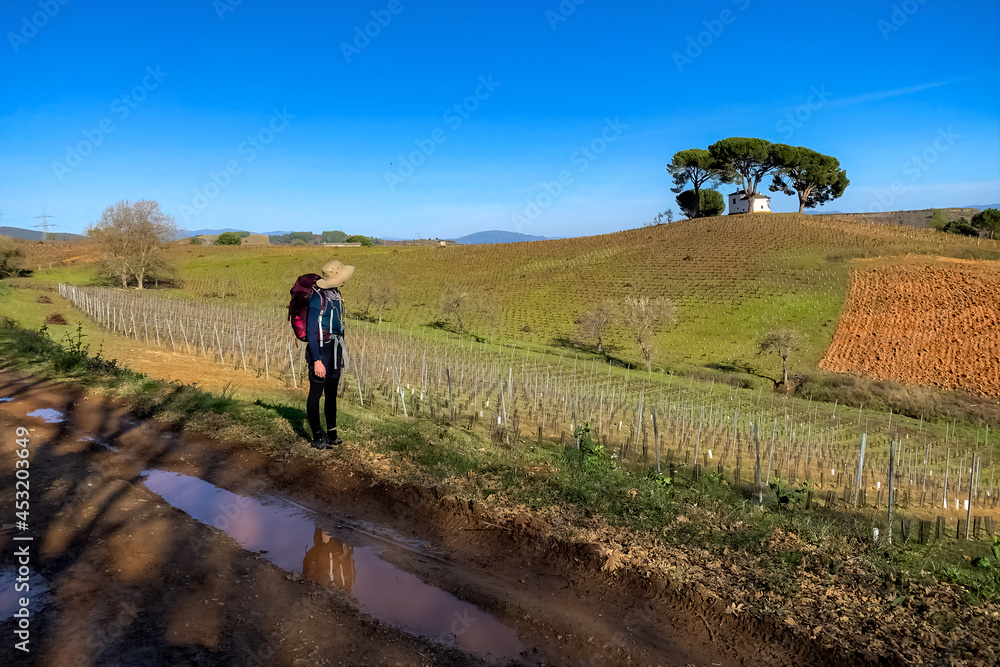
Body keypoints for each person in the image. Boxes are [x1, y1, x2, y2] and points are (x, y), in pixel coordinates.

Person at [306, 259, 353, 449]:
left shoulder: (337, 295)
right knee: (316, 394)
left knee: (331, 394)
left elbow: (340, 327)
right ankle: (317, 436)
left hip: (335, 349)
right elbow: (310, 331)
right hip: (321, 349)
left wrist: (340, 354)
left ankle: (332, 434)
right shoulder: (318, 299)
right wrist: (317, 360)